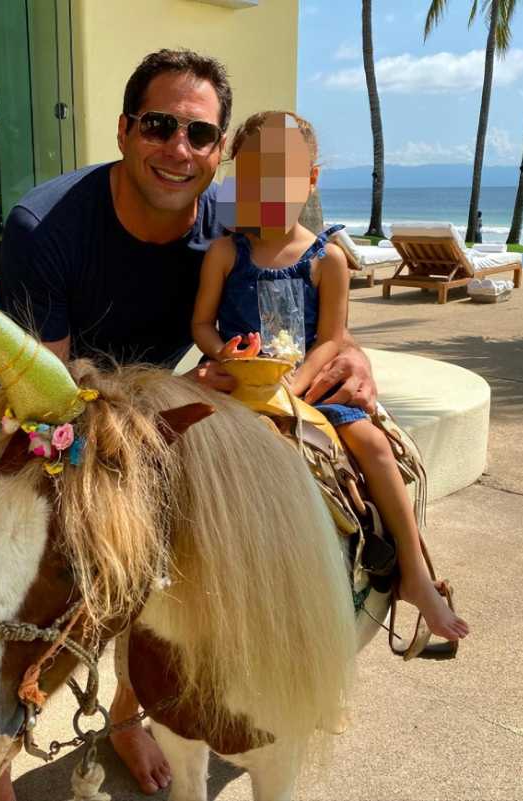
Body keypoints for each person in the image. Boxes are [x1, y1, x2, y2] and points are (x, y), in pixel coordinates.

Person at [0, 50, 378, 801]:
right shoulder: (45, 228)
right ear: (124, 129)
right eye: (159, 126)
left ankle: (129, 714)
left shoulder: (229, 223)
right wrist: (168, 398)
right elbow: (58, 404)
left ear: (219, 151)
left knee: (168, 570)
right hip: (50, 412)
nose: (179, 149)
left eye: (199, 134)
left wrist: (349, 350)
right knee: (22, 575)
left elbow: (308, 308)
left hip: (156, 404)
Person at [192, 109, 470, 646]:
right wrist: (223, 353)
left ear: (311, 178)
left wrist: (293, 386)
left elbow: (330, 339)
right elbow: (202, 323)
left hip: (307, 388)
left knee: (374, 445)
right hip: (238, 384)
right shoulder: (226, 254)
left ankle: (414, 572)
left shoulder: (328, 261)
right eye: (253, 175)